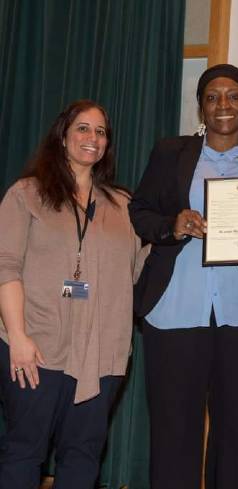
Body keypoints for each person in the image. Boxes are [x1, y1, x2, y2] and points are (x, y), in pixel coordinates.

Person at [129, 64, 238, 489]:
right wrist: (172, 224)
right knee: (174, 433)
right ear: (200, 106)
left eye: (234, 96)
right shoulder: (170, 152)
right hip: (175, 312)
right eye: (212, 96)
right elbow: (139, 210)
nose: (223, 105)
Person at [0, 99, 142, 488]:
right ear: (62, 136)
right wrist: (18, 338)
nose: (92, 138)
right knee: (24, 451)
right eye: (82, 128)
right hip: (36, 350)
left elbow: (144, 269)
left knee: (83, 456)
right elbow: (5, 266)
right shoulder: (26, 194)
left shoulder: (124, 206)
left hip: (102, 356)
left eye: (100, 131)